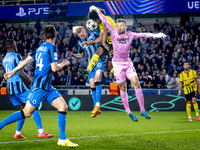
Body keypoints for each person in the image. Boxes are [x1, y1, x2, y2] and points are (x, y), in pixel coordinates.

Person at [1, 25, 78, 148]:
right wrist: (63, 63)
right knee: (26, 113)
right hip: (39, 88)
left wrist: (12, 71)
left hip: (47, 87)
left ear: (44, 36)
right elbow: (54, 68)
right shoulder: (52, 48)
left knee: (63, 107)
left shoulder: (40, 47)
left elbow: (25, 61)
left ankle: (62, 139)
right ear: (55, 35)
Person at [90, 5, 166, 121]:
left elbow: (143, 35)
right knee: (123, 86)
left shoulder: (130, 34)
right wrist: (98, 11)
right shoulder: (114, 32)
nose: (120, 27)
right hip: (117, 64)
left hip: (128, 63)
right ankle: (128, 111)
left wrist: (156, 35)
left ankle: (142, 110)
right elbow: (105, 20)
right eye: (118, 25)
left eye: (122, 25)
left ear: (125, 26)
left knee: (136, 83)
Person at [2, 39, 53, 139]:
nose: (16, 46)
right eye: (15, 44)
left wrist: (9, 91)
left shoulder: (4, 59)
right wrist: (32, 82)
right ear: (12, 46)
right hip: (19, 89)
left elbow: (5, 76)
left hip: (11, 90)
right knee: (35, 105)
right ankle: (41, 131)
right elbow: (21, 73)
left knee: (24, 111)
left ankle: (17, 133)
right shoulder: (16, 56)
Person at [69, 26, 106, 118]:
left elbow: (102, 38)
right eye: (80, 36)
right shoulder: (81, 43)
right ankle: (96, 109)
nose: (82, 37)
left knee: (97, 80)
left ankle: (97, 104)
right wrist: (73, 55)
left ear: (85, 31)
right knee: (92, 85)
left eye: (82, 35)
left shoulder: (93, 34)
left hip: (99, 60)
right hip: (90, 64)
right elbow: (81, 55)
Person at [81, 7, 116, 76]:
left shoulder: (107, 19)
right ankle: (88, 70)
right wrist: (90, 42)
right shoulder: (101, 24)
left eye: (96, 20)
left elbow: (106, 31)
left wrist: (102, 41)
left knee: (109, 69)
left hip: (113, 45)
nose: (96, 22)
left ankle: (122, 72)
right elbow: (101, 36)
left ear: (99, 17)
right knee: (98, 52)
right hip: (107, 43)